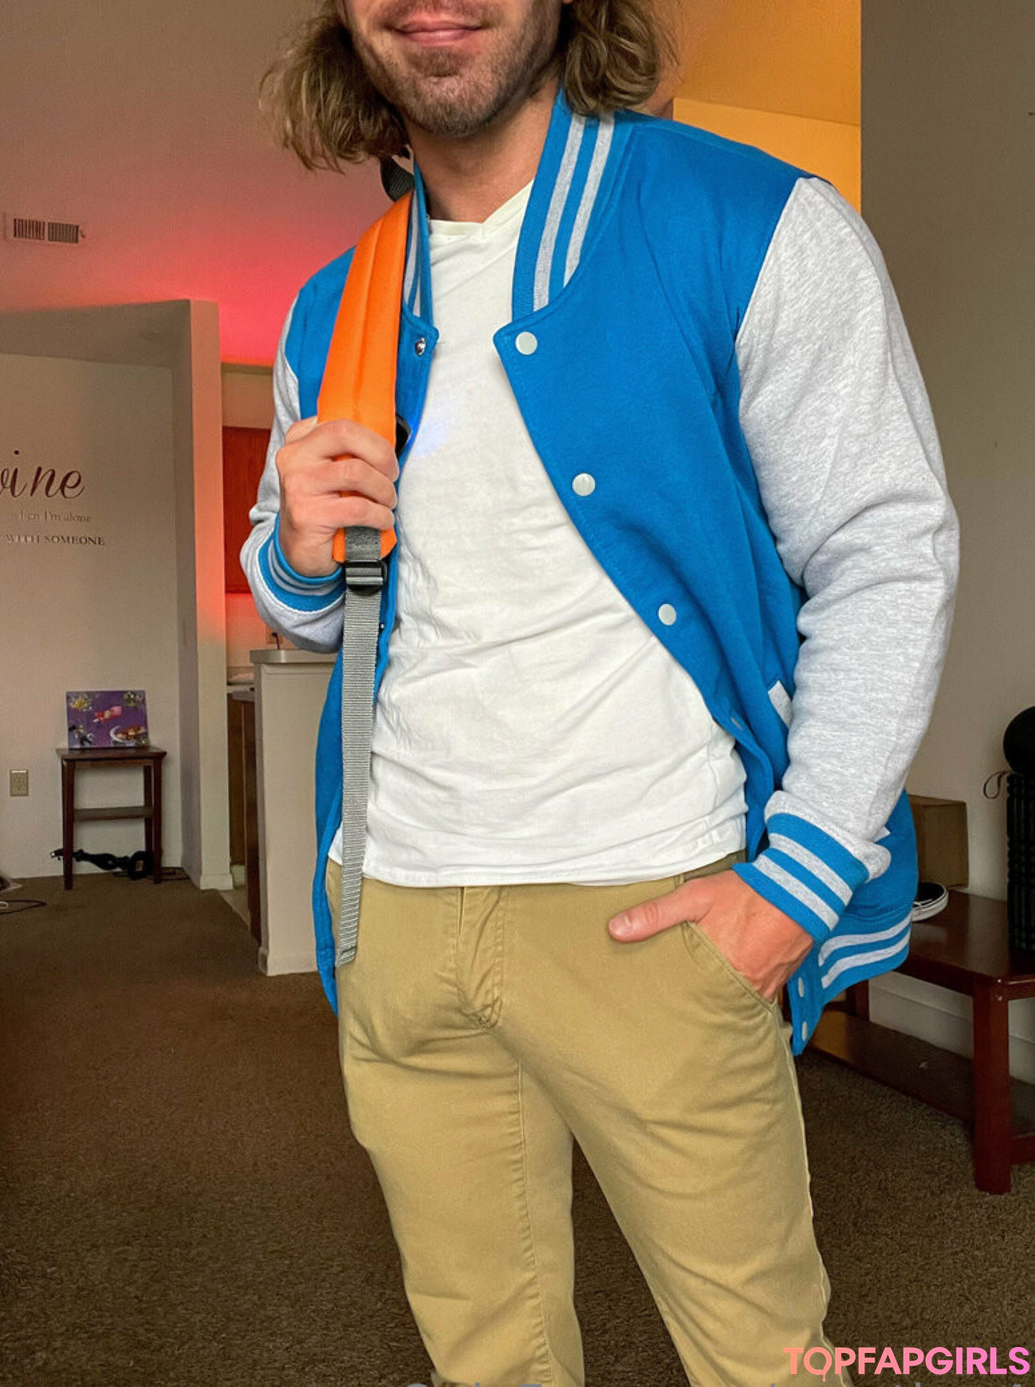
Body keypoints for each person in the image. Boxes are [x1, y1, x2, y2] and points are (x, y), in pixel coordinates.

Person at [242, 1, 960, 1383]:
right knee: (484, 1360)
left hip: (653, 908)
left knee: (766, 1362)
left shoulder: (750, 225)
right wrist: (294, 553)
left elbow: (887, 551)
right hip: (399, 906)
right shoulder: (334, 306)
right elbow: (316, 605)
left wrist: (796, 884)